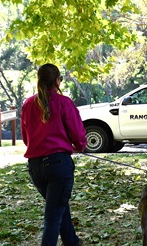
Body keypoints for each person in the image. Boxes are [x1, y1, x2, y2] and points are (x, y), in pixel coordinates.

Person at [21, 63, 87, 246]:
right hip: (58, 165)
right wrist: (80, 146)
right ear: (57, 81)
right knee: (52, 217)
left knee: (58, 207)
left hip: (35, 167)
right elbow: (78, 133)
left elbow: (26, 138)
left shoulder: (27, 104)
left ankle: (72, 241)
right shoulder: (63, 102)